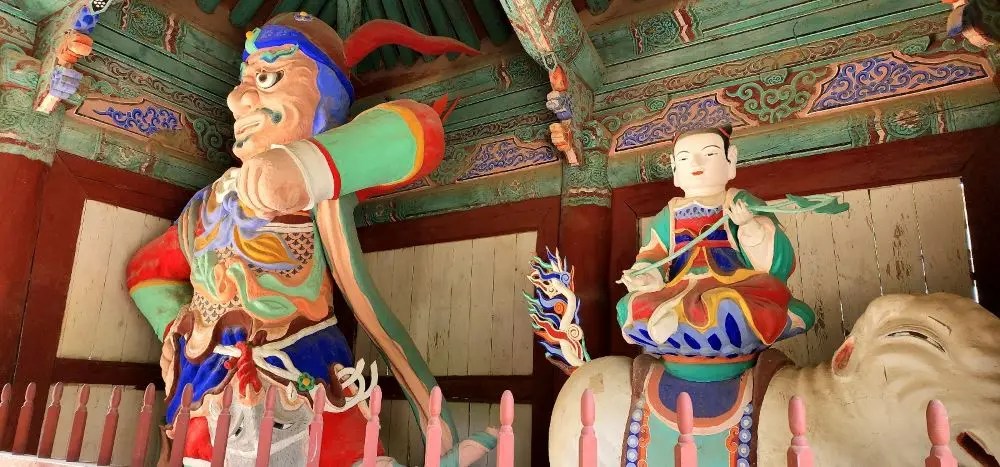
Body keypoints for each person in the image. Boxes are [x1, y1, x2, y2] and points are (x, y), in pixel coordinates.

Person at [126, 12, 479, 465]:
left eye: (269, 76)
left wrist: (304, 166)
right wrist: (187, 331)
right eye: (243, 80)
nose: (238, 98)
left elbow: (419, 130)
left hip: (301, 370)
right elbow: (146, 273)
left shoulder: (324, 178)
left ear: (325, 102)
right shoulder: (208, 201)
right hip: (203, 386)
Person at [617, 125, 815, 374]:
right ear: (674, 169)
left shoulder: (740, 202)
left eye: (709, 154)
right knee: (630, 307)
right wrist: (645, 276)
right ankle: (691, 333)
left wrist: (749, 226)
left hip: (734, 285)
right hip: (679, 289)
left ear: (730, 159)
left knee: (728, 305)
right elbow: (652, 256)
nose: (696, 163)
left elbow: (775, 262)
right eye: (684, 158)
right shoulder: (668, 214)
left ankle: (695, 332)